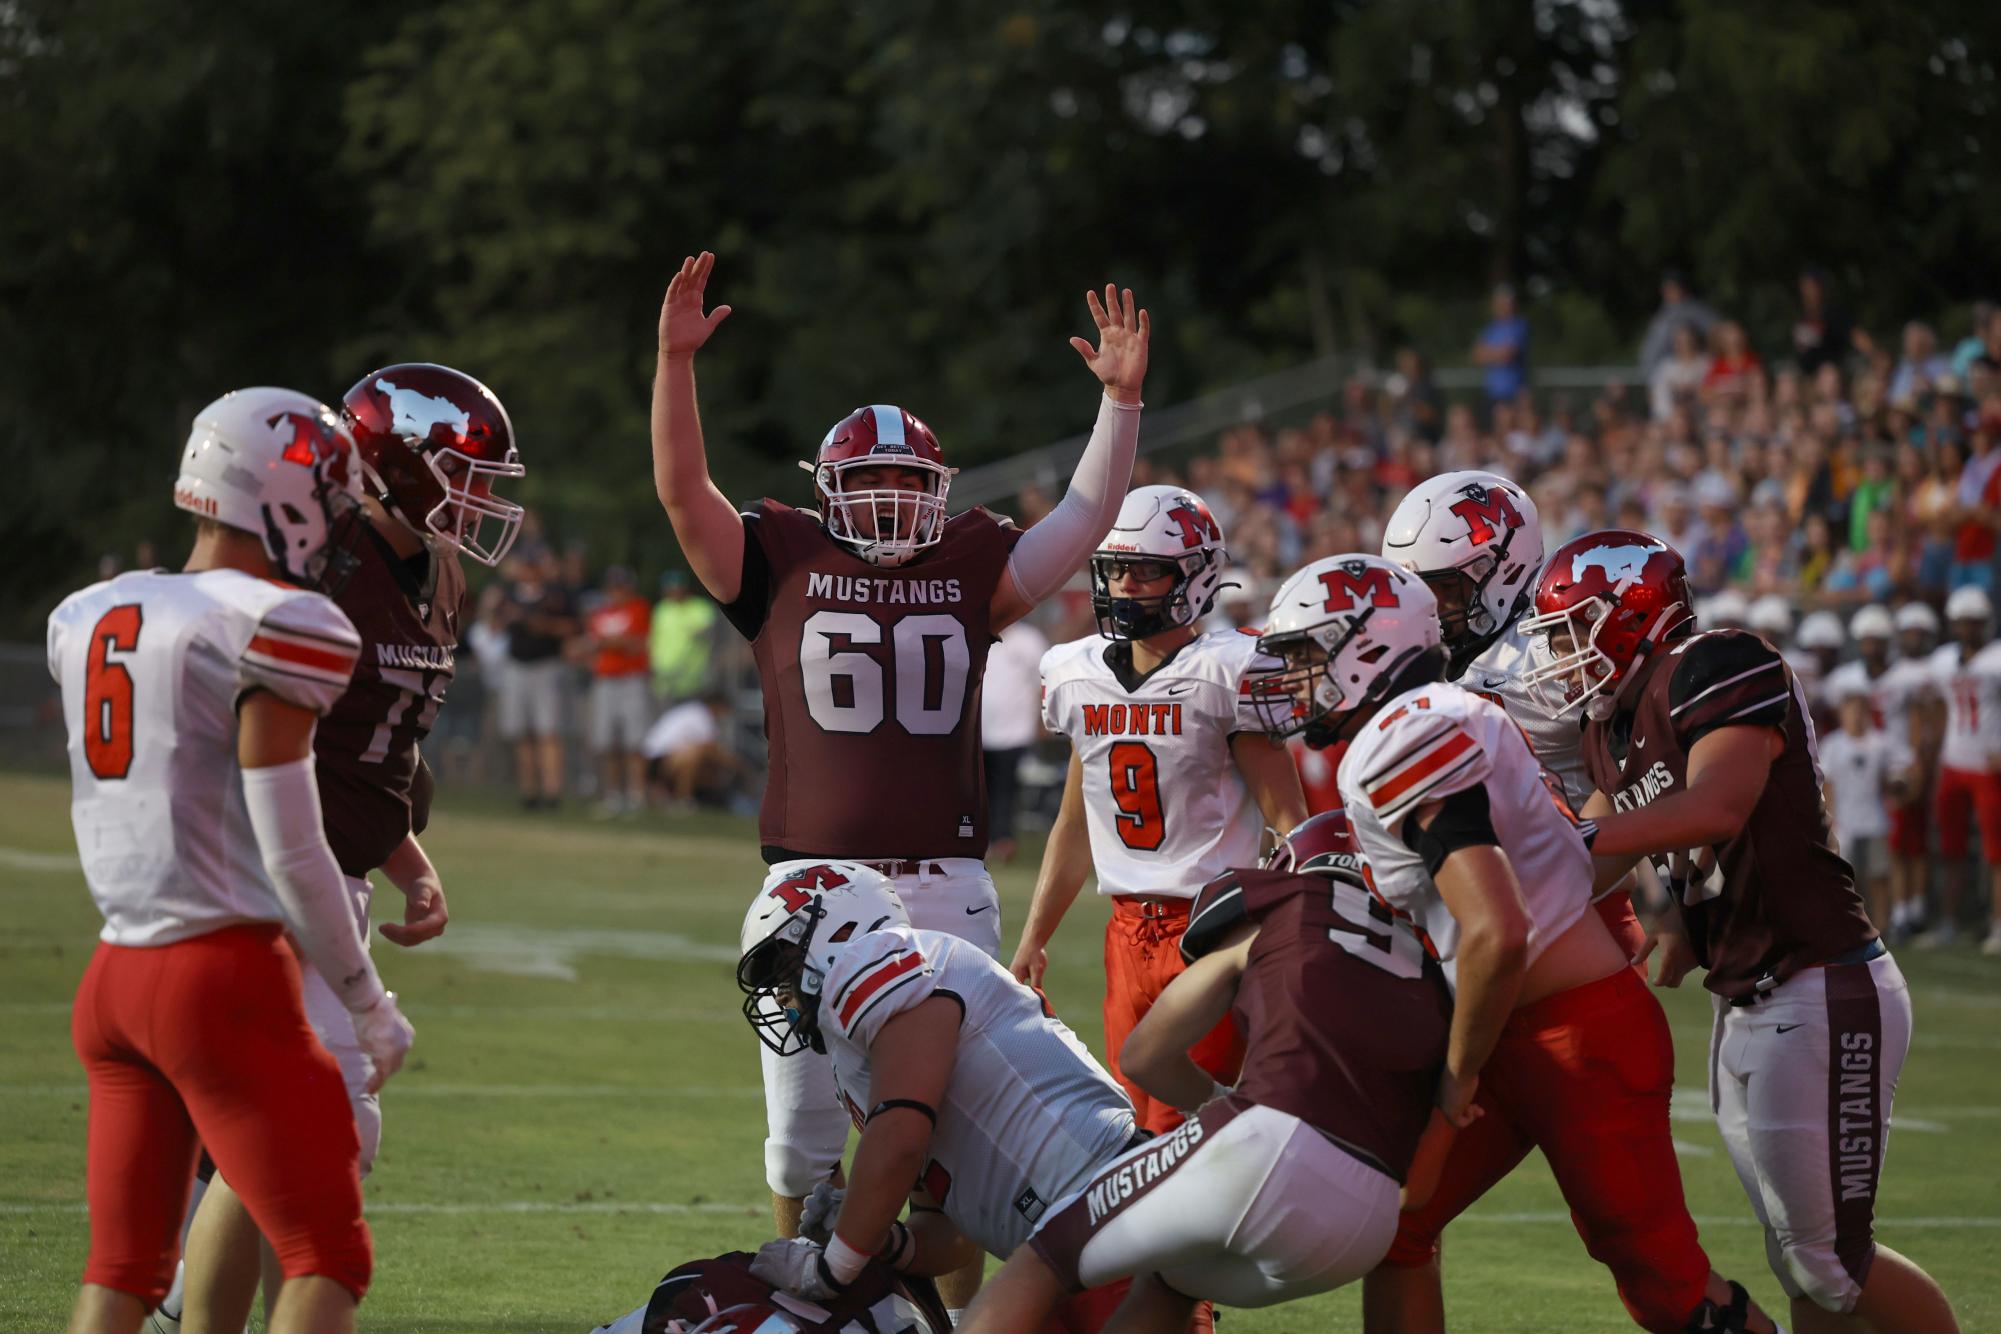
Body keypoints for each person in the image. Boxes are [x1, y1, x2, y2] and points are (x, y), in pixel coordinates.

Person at [650, 250, 1147, 1316]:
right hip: (811, 889)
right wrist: (675, 367)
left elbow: (1083, 516)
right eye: (866, 483)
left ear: (937, 490)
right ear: (831, 490)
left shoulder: (968, 561)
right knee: (799, 1138)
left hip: (944, 882)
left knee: (954, 1146)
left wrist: (1120, 402)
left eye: (904, 483)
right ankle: (805, 1304)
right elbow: (685, 493)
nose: (884, 502)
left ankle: (940, 1317)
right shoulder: (776, 552)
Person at [1257, 553, 1771, 1334]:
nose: (1292, 681)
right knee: (1393, 1231)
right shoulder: (1437, 711)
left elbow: (1496, 931)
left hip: (1573, 1036)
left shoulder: (1405, 733)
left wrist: (1454, 1081)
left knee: (1666, 1288)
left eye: (1304, 657)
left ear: (1364, 648)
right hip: (1513, 1024)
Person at [47, 387, 414, 1334]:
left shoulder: (90, 611)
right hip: (219, 975)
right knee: (327, 1252)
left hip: (113, 977)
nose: (340, 525)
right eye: (332, 500)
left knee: (123, 1270)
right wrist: (368, 1001)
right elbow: (295, 846)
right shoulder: (280, 622)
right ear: (284, 498)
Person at [1528, 531, 1959, 1334]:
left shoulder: (1715, 663)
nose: (1558, 654)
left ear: (1631, 616)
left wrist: (1567, 840)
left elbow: (1715, 806)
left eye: (1569, 629)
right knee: (1801, 1258)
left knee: (1832, 1259)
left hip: (1820, 978)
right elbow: (1579, 869)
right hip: (1746, 995)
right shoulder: (1608, 727)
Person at [171, 363, 521, 1331]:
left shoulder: (438, 572)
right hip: (268, 872)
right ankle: (189, 1292)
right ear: (397, 466)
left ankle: (199, 1286)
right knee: (309, 1133)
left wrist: (407, 858)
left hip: (340, 875)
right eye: (467, 473)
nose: (485, 500)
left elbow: (380, 745)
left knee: (315, 1141)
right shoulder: (318, 557)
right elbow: (254, 720)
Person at [962, 811, 1451, 1333]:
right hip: (1370, 1221)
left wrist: (1220, 1101)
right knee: (1171, 1282)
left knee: (1046, 1254)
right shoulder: (1432, 961)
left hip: (1271, 1145)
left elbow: (1144, 1055)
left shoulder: (1285, 904)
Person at [734, 862, 1147, 1332]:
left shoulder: (877, 958)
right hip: (1061, 1251)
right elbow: (948, 1231)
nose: (782, 996)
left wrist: (834, 1267)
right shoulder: (859, 1057)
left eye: (785, 968)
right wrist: (885, 1240)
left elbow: (902, 1135)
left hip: (1107, 1213)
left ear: (837, 929)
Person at [1017, 485, 1308, 1133]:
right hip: (1124, 933)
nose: (1124, 586)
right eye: (1114, 569)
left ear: (1197, 576)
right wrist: (1034, 937)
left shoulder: (1229, 669)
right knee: (1134, 1129)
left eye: (1146, 569)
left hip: (1209, 931)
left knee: (1187, 1137)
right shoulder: (1076, 671)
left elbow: (1291, 824)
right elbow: (1075, 823)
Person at [1919, 585, 2001, 952]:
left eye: (1974, 623)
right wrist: (1934, 754)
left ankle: (1998, 925)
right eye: (1962, 622)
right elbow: (1933, 706)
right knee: (1950, 848)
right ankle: (1949, 922)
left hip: (1988, 764)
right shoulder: (1942, 660)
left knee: (1996, 851)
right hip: (1953, 761)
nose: (1967, 629)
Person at [1883, 602, 1944, 940]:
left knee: (1914, 842)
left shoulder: (1931, 671)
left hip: (1914, 761)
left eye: (1919, 633)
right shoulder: (1895, 673)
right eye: (1909, 632)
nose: (1914, 639)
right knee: (1899, 842)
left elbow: (1927, 721)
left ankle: (1913, 908)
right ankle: (1905, 909)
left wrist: (1920, 761)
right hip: (1893, 761)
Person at [500, 548, 579, 808]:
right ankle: (529, 791)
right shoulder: (509, 593)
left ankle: (552, 791)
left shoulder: (556, 594)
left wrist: (541, 625)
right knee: (521, 733)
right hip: (516, 666)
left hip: (545, 666)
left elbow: (572, 627)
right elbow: (495, 621)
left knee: (548, 731)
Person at [1823, 680, 1896, 931]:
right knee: (1847, 879)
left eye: (1859, 710)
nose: (1854, 716)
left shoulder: (1880, 743)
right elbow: (1827, 784)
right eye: (1849, 710)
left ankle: (1884, 925)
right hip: (1846, 821)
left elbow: (1892, 779)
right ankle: (1850, 925)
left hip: (1875, 818)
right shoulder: (1833, 744)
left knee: (1879, 876)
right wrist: (1830, 818)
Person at [585, 566, 654, 814]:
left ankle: (636, 795)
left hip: (631, 678)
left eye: (621, 586)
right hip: (605, 680)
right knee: (607, 741)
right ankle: (613, 795)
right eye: (613, 586)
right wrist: (613, 643)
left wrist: (606, 643)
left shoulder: (638, 608)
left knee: (634, 741)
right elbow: (592, 645)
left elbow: (636, 644)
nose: (617, 591)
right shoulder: (600, 613)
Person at [980, 618, 1049, 864]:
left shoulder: (1029, 640)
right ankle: (978, 841)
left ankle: (1003, 840)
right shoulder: (976, 633)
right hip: (978, 730)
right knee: (978, 790)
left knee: (1006, 789)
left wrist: (1040, 722)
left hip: (1014, 730)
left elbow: (1042, 683)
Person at [641, 691, 737, 808]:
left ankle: (702, 798)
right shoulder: (701, 714)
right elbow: (710, 749)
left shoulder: (693, 711)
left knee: (706, 762)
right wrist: (740, 768)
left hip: (660, 758)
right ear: (718, 705)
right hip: (658, 759)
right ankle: (683, 798)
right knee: (695, 755)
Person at [1639, 271, 1719, 383]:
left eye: (1672, 287)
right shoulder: (1663, 312)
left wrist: (1710, 357)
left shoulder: (1692, 309)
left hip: (1686, 372)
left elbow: (1716, 330)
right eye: (1665, 288)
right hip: (1660, 374)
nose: (1668, 292)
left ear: (1681, 288)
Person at [649, 569, 716, 702]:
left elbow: (709, 635)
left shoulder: (701, 608)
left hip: (693, 679)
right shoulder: (661, 609)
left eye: (677, 588)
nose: (674, 592)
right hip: (664, 680)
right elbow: (653, 639)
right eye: (670, 589)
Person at [1471, 284, 1529, 410]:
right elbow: (1477, 356)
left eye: (1507, 301)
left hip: (1513, 392)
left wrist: (1489, 353)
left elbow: (1508, 355)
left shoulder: (1519, 326)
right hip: (1491, 392)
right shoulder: (1490, 328)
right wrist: (1498, 353)